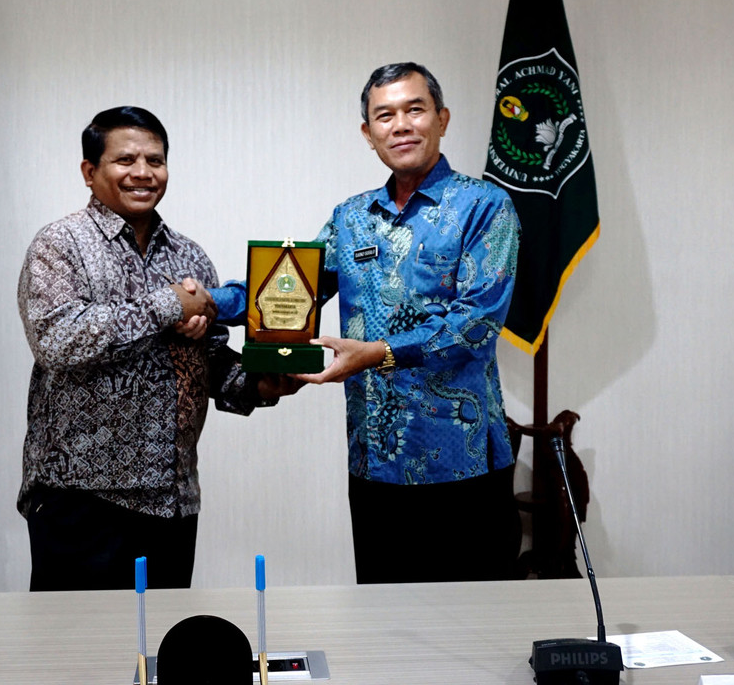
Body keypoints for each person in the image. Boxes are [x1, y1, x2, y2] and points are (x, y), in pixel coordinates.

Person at [212, 63, 523, 583]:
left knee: (474, 619)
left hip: (461, 464)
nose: (400, 125)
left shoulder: (484, 207)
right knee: (385, 618)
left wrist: (377, 353)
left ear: (442, 119)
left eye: (414, 109)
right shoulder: (351, 218)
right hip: (373, 463)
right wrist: (205, 304)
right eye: (385, 115)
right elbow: (290, 289)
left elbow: (475, 324)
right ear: (368, 133)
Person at [17, 106, 293, 591]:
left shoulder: (188, 255)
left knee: (161, 640)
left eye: (156, 160)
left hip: (173, 498)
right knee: (77, 638)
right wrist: (168, 305)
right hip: (81, 499)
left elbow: (208, 359)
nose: (143, 173)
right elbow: (57, 340)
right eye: (125, 160)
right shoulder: (60, 244)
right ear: (89, 171)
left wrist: (258, 383)